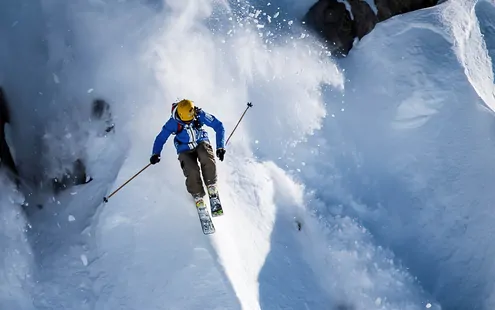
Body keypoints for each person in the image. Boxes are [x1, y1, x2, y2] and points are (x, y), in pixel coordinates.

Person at [150, 99, 226, 212]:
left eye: (192, 118)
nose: (190, 120)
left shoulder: (199, 114)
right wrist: (156, 153)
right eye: (187, 121)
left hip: (200, 141)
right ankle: (197, 194)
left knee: (206, 157)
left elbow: (219, 126)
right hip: (184, 147)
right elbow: (161, 138)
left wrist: (220, 147)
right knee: (191, 170)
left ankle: (211, 186)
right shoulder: (172, 123)